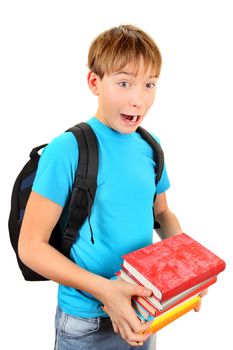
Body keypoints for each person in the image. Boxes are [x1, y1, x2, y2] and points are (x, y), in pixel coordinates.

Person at [18, 24, 206, 350]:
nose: (138, 98)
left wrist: (189, 268)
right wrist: (106, 290)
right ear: (95, 82)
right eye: (123, 83)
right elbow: (31, 247)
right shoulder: (68, 149)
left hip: (143, 312)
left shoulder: (150, 146)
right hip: (87, 323)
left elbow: (161, 212)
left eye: (149, 84)